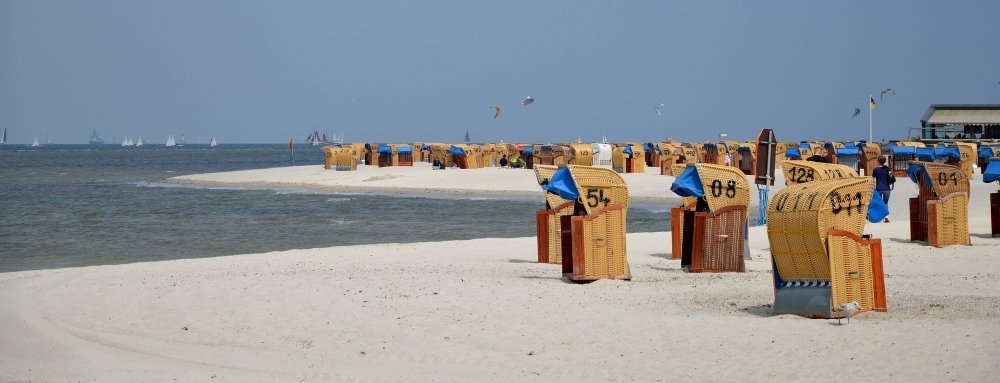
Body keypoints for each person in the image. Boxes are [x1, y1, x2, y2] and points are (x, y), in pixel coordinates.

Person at [871, 156, 893, 223]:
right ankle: (886, 217)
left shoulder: (875, 170)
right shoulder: (887, 168)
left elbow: (873, 178)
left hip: (878, 188)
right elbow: (890, 168)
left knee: (879, 203)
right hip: (887, 188)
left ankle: (880, 218)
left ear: (878, 161)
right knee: (885, 202)